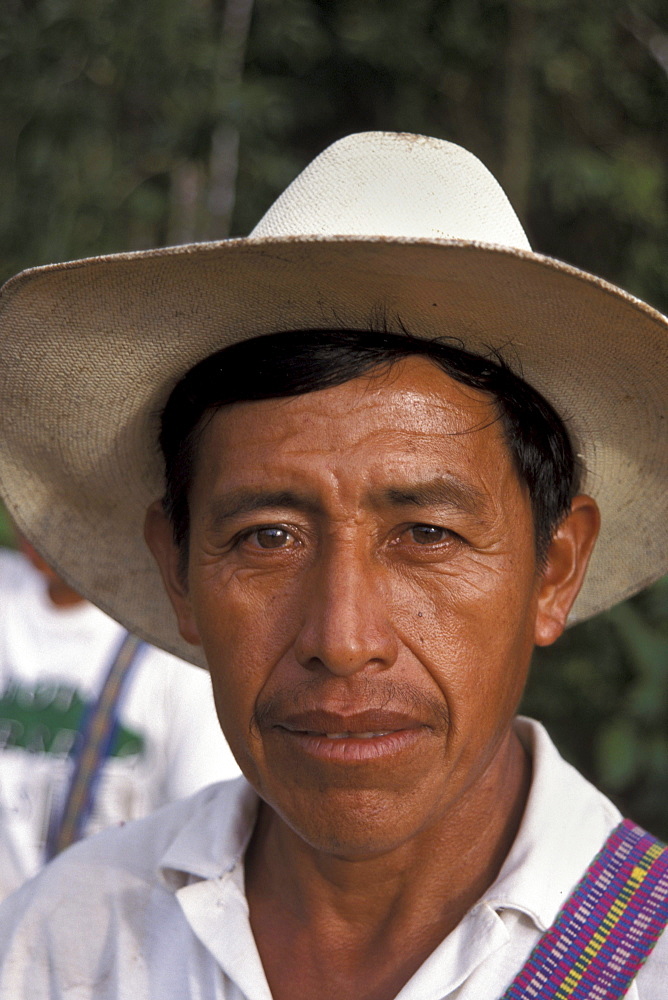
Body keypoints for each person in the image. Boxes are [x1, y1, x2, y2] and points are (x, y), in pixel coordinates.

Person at [0, 131, 665, 998]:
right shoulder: (64, 944)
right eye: (268, 536)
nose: (343, 640)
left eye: (427, 534)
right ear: (179, 572)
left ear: (555, 568)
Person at [0, 538, 240, 901]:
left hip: (100, 929)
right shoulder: (9, 595)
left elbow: (206, 840)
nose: (40, 528)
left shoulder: (175, 650)